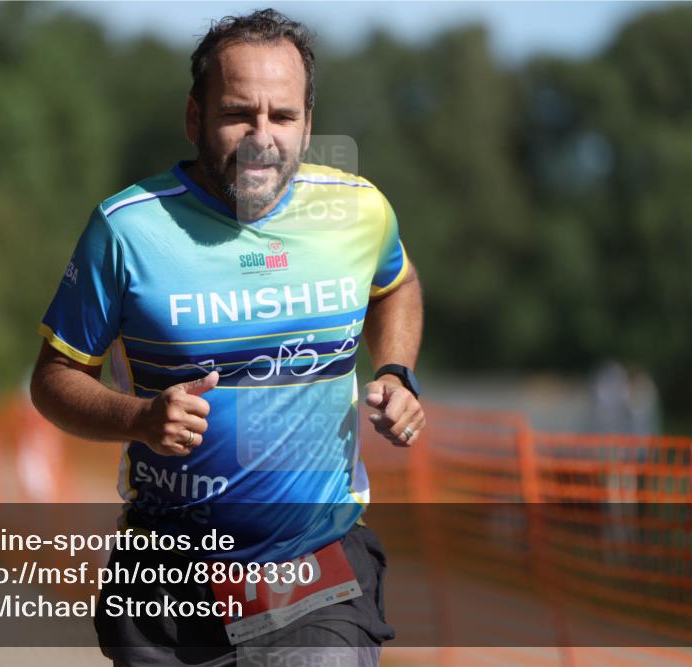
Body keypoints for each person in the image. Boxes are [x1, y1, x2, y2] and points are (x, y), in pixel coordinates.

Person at [30, 8, 424, 666]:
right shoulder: (126, 231)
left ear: (308, 123)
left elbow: (398, 284)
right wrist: (141, 417)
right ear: (194, 117)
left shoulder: (357, 210)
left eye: (283, 117)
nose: (261, 137)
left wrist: (395, 372)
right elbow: (52, 378)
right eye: (239, 113)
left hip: (314, 569)